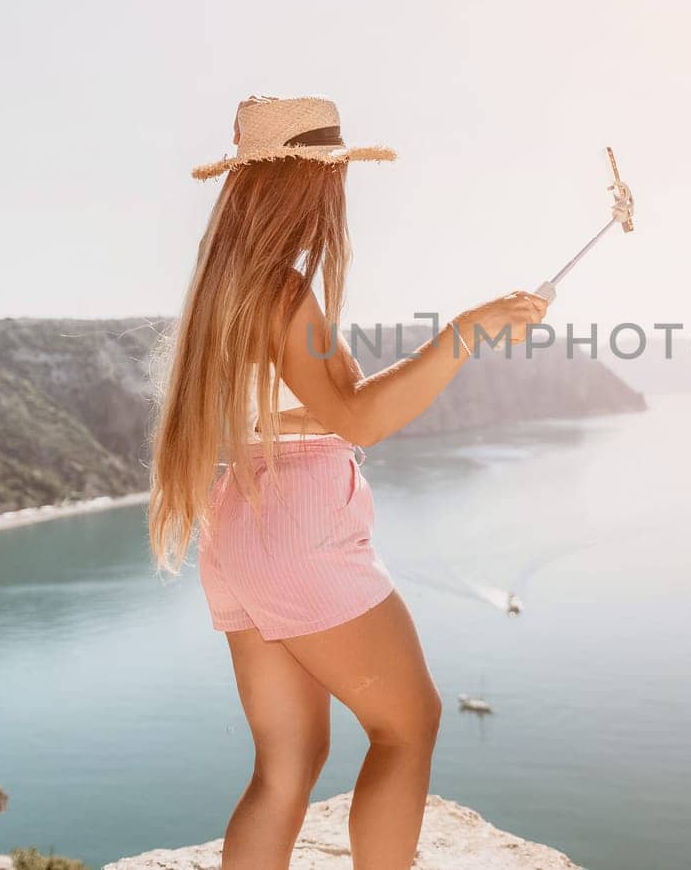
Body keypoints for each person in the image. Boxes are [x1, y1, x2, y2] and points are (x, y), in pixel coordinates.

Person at [147, 95, 547, 870]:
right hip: (300, 529)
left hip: (240, 523)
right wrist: (465, 331)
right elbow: (357, 419)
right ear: (306, 181)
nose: (340, 190)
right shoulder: (284, 291)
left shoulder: (224, 287)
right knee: (410, 722)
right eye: (333, 173)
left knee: (286, 764)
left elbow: (296, 413)